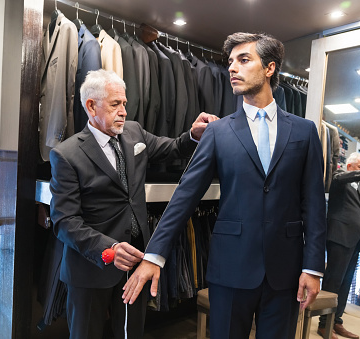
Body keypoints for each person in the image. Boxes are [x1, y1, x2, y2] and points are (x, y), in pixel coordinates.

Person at [122, 32, 327, 339]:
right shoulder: (218, 132)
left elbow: (313, 203)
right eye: (230, 62)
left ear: (270, 68)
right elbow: (185, 196)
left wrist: (313, 267)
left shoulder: (304, 131)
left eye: (244, 60)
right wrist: (154, 255)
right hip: (230, 268)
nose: (232, 68)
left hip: (285, 272)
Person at [49, 69, 217, 339]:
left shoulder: (134, 132)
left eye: (125, 103)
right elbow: (65, 221)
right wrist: (109, 249)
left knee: (131, 335)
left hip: (136, 263)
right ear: (91, 105)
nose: (124, 111)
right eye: (116, 104)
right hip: (90, 269)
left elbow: (171, 148)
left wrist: (193, 135)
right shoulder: (66, 154)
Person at [318, 152, 360, 339]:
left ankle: (336, 321)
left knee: (345, 284)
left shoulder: (358, 192)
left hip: (354, 242)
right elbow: (342, 178)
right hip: (339, 238)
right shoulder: (340, 179)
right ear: (350, 167)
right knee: (333, 282)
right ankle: (324, 325)